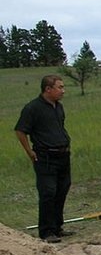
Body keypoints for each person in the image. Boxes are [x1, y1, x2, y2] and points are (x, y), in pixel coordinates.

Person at [14, 75, 72, 243]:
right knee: (48, 192)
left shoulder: (59, 107)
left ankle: (57, 227)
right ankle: (46, 232)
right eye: (59, 87)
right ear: (48, 89)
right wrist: (29, 152)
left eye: (63, 87)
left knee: (62, 189)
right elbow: (20, 130)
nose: (63, 91)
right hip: (45, 156)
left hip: (63, 154)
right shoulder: (33, 108)